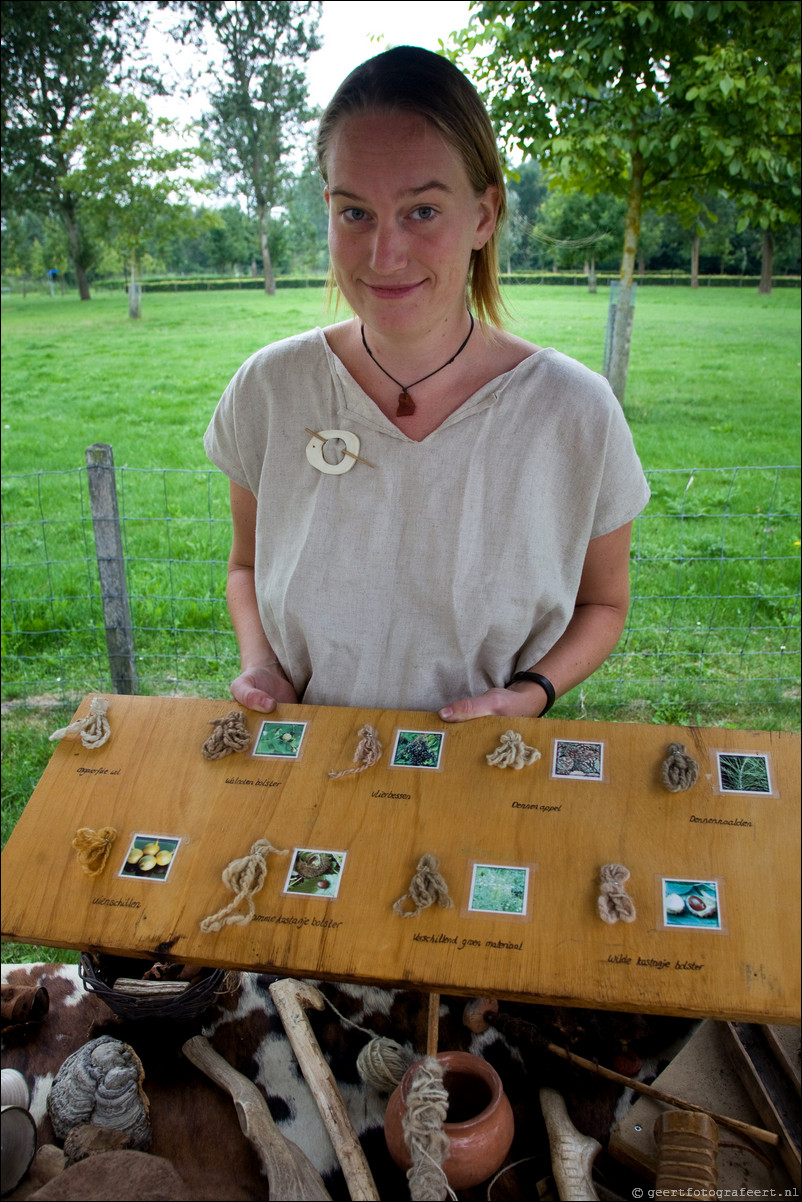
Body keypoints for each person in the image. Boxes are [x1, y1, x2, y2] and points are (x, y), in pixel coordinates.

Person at [204, 46, 649, 723]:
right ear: (326, 209)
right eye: (355, 213)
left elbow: (603, 604)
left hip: (481, 775)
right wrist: (261, 663)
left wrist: (532, 693)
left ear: (484, 215)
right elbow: (246, 566)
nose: (385, 255)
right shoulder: (269, 389)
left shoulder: (575, 412)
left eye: (422, 211)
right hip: (306, 763)